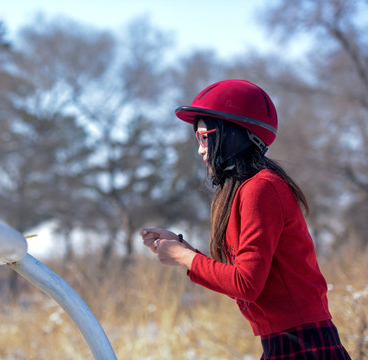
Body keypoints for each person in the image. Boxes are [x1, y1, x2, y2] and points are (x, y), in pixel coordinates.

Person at [140, 79, 351, 359]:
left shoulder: (261, 188)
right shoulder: (246, 190)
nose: (201, 149)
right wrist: (185, 250)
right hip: (287, 342)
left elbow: (246, 284)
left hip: (303, 345)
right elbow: (243, 281)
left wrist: (183, 257)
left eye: (205, 137)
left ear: (232, 135)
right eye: (197, 139)